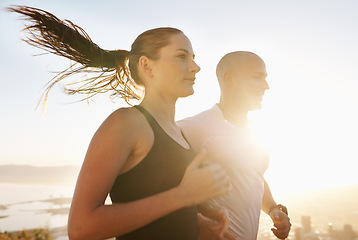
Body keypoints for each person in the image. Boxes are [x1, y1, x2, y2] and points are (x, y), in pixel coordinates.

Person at [8, 5, 231, 240]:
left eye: (193, 58)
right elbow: (81, 228)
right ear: (147, 66)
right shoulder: (126, 124)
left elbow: (155, 202)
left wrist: (197, 219)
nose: (195, 67)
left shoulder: (179, 133)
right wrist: (183, 196)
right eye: (181, 56)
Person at [178, 51, 292, 240]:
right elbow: (167, 188)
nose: (266, 86)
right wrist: (200, 220)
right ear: (229, 79)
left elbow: (254, 177)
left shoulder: (258, 134)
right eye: (258, 78)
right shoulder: (191, 129)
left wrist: (273, 209)